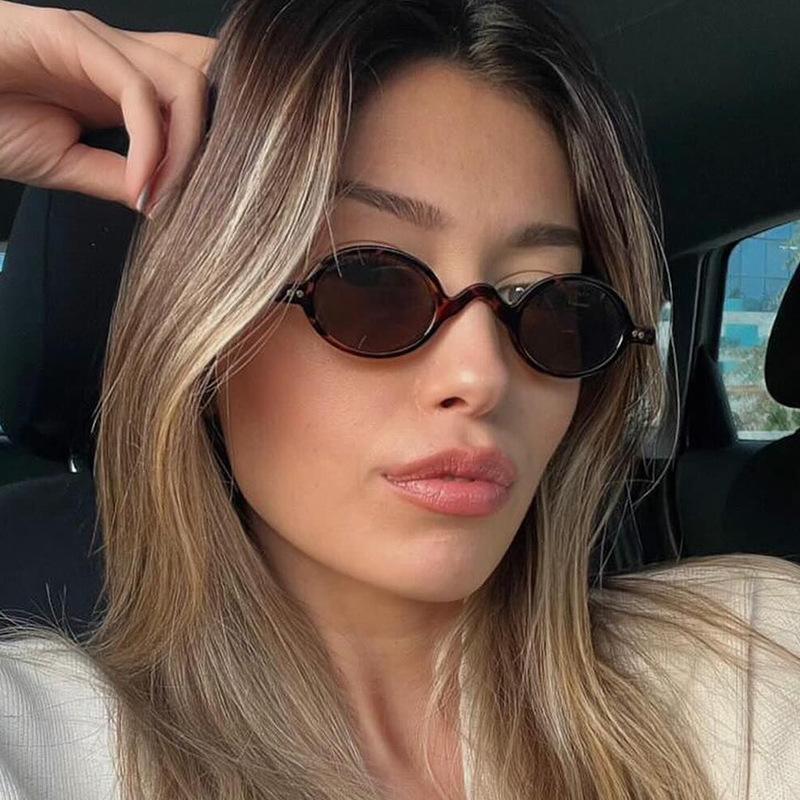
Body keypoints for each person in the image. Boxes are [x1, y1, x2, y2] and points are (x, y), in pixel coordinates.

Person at [0, 1, 798, 799]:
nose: (483, 376)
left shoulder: (753, 664)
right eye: (371, 285)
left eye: (550, 304)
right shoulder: (44, 744)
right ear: (209, 338)